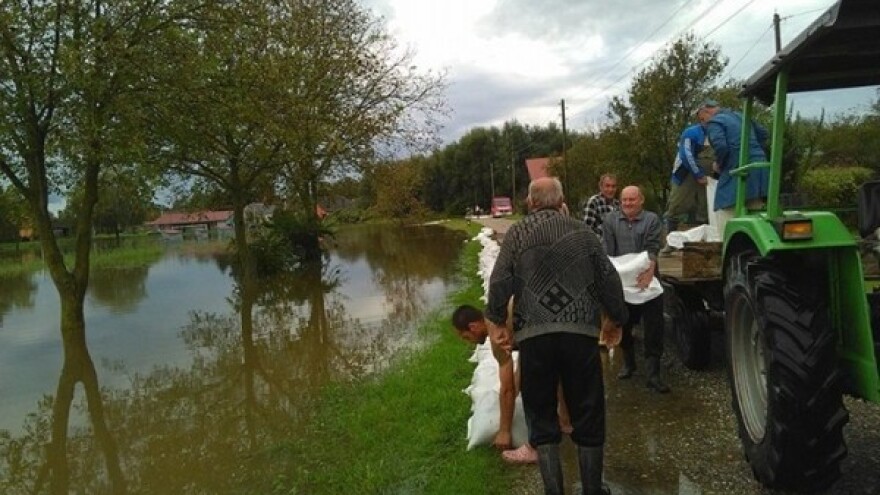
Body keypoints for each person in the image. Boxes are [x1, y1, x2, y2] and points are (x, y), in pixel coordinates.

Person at [485, 177, 628, 495]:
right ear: (561, 200)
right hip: (580, 334)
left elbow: (499, 281)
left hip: (535, 337)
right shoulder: (583, 232)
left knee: (541, 414)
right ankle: (592, 489)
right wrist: (615, 319)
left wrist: (496, 320)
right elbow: (608, 278)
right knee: (588, 410)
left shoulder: (518, 233)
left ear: (531, 202)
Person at [451, 304, 573, 464]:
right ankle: (565, 421)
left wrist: (504, 431)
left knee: (533, 386)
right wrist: (515, 394)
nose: (469, 342)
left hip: (542, 331)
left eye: (466, 337)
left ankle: (537, 447)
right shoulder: (498, 314)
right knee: (552, 369)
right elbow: (521, 365)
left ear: (473, 327)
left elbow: (507, 386)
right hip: (562, 323)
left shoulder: (496, 330)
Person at [601, 185, 671, 394]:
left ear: (641, 200)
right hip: (622, 284)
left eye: (632, 199)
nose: (628, 203)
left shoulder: (651, 220)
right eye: (624, 200)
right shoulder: (610, 221)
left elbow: (652, 248)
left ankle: (653, 374)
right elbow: (609, 253)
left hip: (647, 281)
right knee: (623, 324)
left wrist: (650, 272)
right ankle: (628, 363)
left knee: (654, 328)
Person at [697, 99, 769, 236]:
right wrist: (751, 150)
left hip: (738, 168)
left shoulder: (715, 122)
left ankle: (727, 247)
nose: (703, 123)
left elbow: (721, 146)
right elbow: (764, 134)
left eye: (702, 119)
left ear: (706, 111)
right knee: (755, 207)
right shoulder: (741, 115)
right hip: (760, 168)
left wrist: (718, 164)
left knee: (724, 209)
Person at [662, 123, 716, 235]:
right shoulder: (692, 133)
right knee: (676, 205)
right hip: (685, 173)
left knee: (706, 207)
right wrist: (698, 174)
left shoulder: (720, 132)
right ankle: (670, 242)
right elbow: (686, 155)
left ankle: (704, 241)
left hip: (710, 175)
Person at [583, 173, 620, 239]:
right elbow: (587, 229)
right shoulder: (593, 202)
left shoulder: (618, 205)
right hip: (599, 245)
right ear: (601, 187)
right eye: (607, 186)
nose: (610, 189)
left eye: (613, 186)